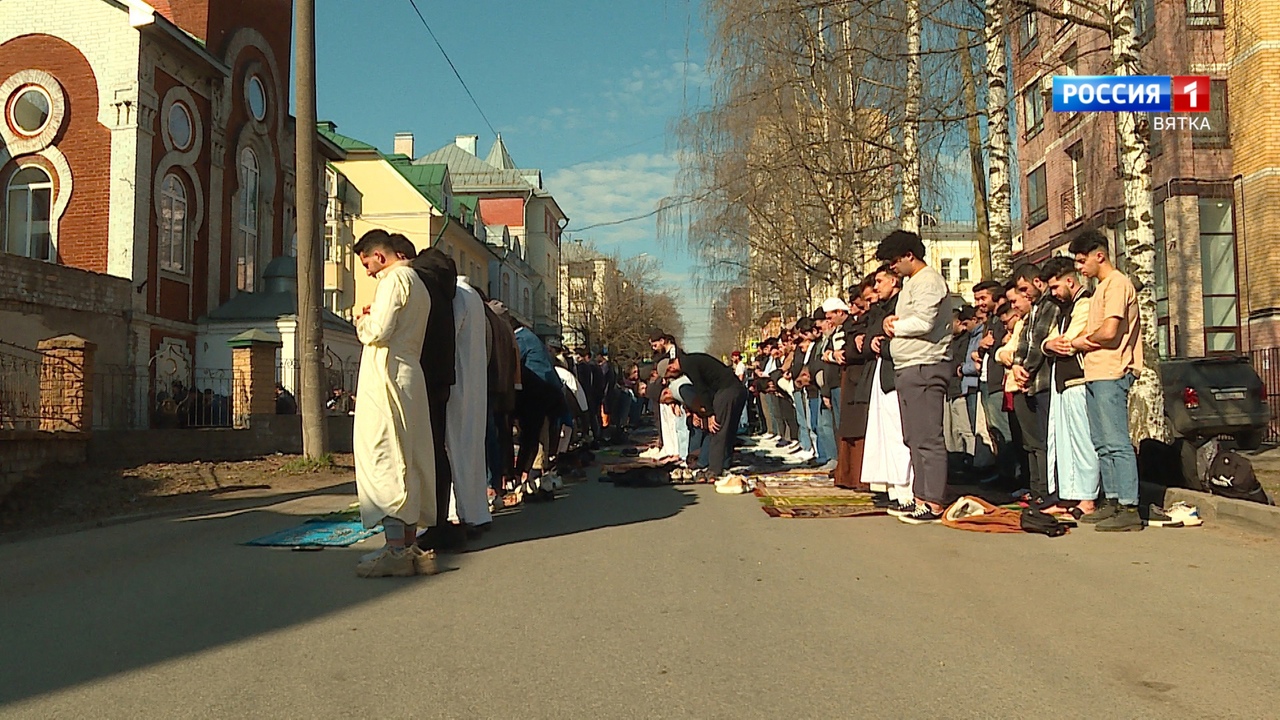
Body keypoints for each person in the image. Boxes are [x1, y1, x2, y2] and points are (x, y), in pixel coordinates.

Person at [350, 230, 437, 577]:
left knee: (384, 457)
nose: (368, 272)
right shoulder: (418, 283)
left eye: (367, 264)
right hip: (409, 375)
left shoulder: (393, 279)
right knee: (410, 457)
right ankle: (411, 545)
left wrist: (363, 321)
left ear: (380, 256)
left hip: (386, 379)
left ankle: (395, 550)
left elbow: (379, 331)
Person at [1069, 230, 1144, 531]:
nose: (1079, 267)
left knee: (1116, 442)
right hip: (1095, 372)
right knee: (1101, 443)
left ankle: (1129, 506)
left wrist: (1080, 341)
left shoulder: (1117, 284)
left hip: (1112, 371)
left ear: (1099, 255)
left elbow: (1110, 332)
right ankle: (1112, 500)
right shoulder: (1100, 288)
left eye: (1081, 260)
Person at [878, 230, 954, 525]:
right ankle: (920, 496)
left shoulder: (929, 281)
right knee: (913, 437)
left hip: (926, 365)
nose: (892, 268)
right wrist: (891, 321)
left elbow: (924, 321)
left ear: (910, 255)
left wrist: (895, 328)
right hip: (909, 366)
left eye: (894, 261)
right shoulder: (913, 284)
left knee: (927, 437)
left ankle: (933, 500)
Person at [1040, 256, 1100, 517]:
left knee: (1082, 441)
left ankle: (1087, 499)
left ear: (1069, 281)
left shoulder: (1085, 303)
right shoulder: (1065, 308)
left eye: (1055, 287)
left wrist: (1053, 345)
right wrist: (1048, 345)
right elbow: (1049, 341)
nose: (1053, 293)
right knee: (1064, 443)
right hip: (1063, 382)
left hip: (1078, 379)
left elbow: (1068, 342)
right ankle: (1069, 496)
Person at [859, 266, 912, 510]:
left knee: (899, 435)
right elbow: (868, 339)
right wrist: (872, 340)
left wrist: (881, 340)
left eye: (880, 281)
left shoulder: (903, 303)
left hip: (898, 373)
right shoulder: (880, 309)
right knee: (886, 436)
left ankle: (908, 492)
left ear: (894, 281)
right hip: (883, 373)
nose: (876, 287)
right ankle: (895, 490)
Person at [1011, 263, 1061, 508]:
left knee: (1043, 441)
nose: (1024, 295)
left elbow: (1039, 341)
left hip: (1043, 381)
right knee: (1030, 442)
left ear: (1038, 283)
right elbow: (1023, 342)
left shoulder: (1050, 306)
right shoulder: (1033, 310)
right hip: (1028, 382)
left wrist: (1026, 371)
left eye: (1024, 289)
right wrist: (1016, 366)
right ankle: (1036, 488)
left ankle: (1047, 490)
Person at [445, 274, 491, 531]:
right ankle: (477, 511)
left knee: (456, 447)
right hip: (476, 381)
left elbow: (449, 332)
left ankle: (459, 512)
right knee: (472, 448)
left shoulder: (458, 296)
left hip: (458, 380)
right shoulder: (474, 297)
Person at [663, 351, 748, 481]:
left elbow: (701, 389)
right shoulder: (692, 360)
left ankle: (714, 469)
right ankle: (725, 463)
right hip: (737, 389)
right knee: (729, 430)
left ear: (671, 367)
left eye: (670, 375)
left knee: (717, 430)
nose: (673, 377)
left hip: (726, 392)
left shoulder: (688, 365)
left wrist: (710, 414)